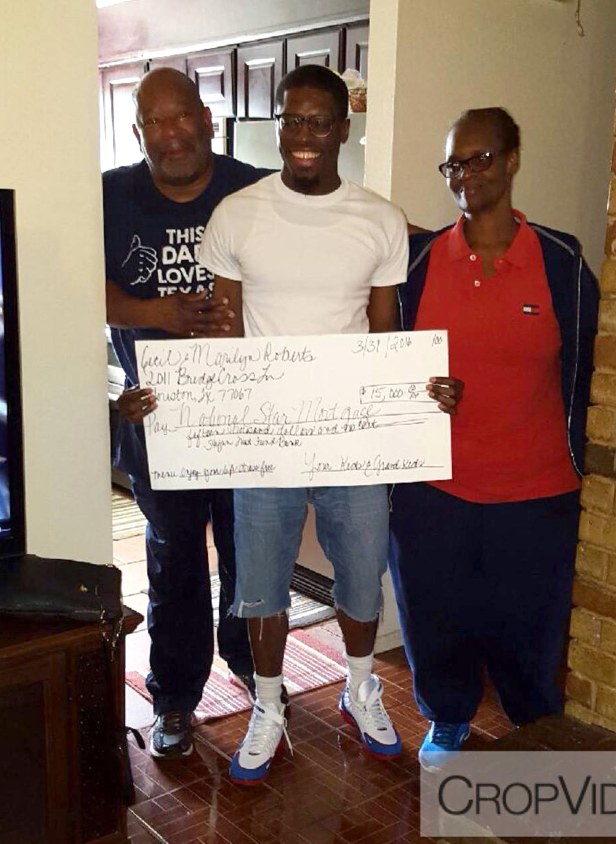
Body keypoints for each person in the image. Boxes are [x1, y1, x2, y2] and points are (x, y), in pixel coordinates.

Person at [199, 65, 443, 785]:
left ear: (344, 127)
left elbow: (383, 332)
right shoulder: (238, 215)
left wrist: (407, 402)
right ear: (283, 125)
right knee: (261, 582)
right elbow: (223, 333)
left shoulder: (379, 221)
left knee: (362, 577)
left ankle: (358, 686)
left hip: (350, 437)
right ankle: (268, 706)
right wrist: (199, 408)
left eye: (318, 122)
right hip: (265, 438)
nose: (304, 136)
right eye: (292, 121)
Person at [389, 107, 599, 770]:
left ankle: (535, 728)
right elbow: (386, 361)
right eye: (454, 163)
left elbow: (593, 363)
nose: (466, 175)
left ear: (511, 160)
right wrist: (420, 386)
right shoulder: (420, 263)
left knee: (529, 624)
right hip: (434, 488)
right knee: (436, 614)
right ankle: (448, 717)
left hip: (537, 491)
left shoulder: (561, 261)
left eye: (480, 159)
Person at [104, 67, 273, 759]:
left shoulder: (257, 189)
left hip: (247, 411)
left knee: (247, 554)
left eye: (182, 119)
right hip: (158, 420)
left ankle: (250, 667)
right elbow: (69, 281)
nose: (171, 135)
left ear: (207, 119)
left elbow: (336, 234)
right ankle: (174, 695)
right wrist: (158, 313)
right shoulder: (110, 195)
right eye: (155, 125)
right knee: (173, 561)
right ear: (139, 132)